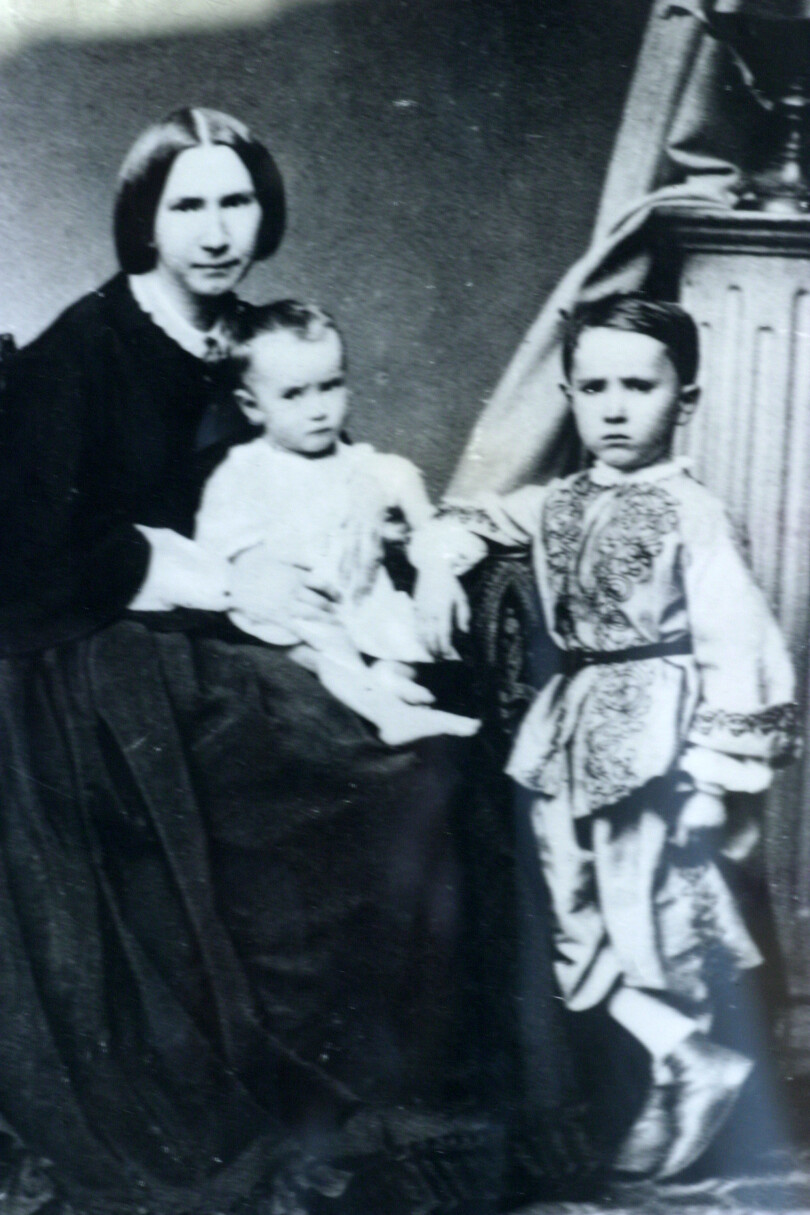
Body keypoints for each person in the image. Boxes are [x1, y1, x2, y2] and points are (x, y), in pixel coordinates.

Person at [0, 107, 592, 1214]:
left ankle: (450, 1089)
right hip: (96, 653)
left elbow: (331, 479)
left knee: (446, 749)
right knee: (364, 769)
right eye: (189, 206)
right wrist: (227, 584)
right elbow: (29, 548)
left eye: (237, 202)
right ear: (145, 220)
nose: (218, 230)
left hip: (236, 627)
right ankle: (337, 1101)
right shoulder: (88, 348)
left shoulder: (257, 340)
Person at [412, 293, 800, 1180]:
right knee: (572, 925)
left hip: (657, 735)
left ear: (685, 400)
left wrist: (709, 777)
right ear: (569, 394)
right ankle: (686, 1060)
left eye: (639, 385)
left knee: (651, 915)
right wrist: (438, 555)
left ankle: (690, 1066)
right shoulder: (557, 501)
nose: (615, 407)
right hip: (570, 733)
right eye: (593, 387)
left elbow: (738, 643)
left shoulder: (692, 515)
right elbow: (476, 523)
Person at [194, 299, 480, 746]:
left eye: (330, 386)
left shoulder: (367, 466)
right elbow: (223, 549)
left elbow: (429, 523)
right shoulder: (245, 470)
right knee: (323, 650)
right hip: (298, 616)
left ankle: (385, 687)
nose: (318, 410)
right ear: (252, 406)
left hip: (362, 606)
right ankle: (388, 713)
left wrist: (436, 568)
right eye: (293, 394)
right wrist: (259, 567)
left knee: (406, 638)